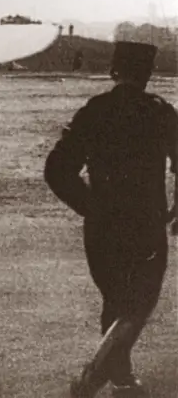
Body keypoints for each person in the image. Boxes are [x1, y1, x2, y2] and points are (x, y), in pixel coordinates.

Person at [44, 41, 176, 398]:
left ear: (113, 71)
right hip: (146, 224)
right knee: (139, 303)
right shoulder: (161, 112)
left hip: (102, 228)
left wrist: (90, 206)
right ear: (148, 74)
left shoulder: (95, 111)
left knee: (117, 301)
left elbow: (57, 169)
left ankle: (120, 379)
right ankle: (95, 380)